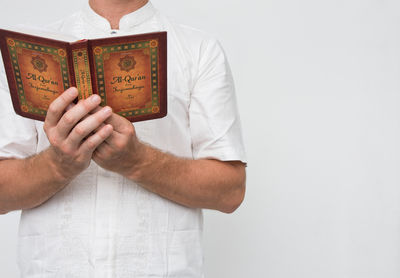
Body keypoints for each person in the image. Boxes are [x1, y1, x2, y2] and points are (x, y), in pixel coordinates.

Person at [0, 0, 246, 276]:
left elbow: (230, 191)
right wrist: (58, 165)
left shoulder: (199, 50)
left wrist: (137, 161)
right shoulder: (29, 53)